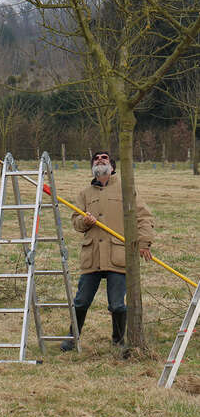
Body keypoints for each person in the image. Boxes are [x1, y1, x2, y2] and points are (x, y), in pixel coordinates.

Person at [60, 150, 154, 351]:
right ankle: (71, 338)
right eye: (96, 158)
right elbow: (75, 222)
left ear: (112, 166)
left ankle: (118, 342)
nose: (100, 160)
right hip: (92, 255)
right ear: (93, 166)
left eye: (104, 158)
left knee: (118, 305)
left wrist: (145, 243)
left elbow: (144, 217)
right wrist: (84, 221)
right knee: (81, 301)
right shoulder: (85, 193)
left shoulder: (126, 189)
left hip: (117, 255)